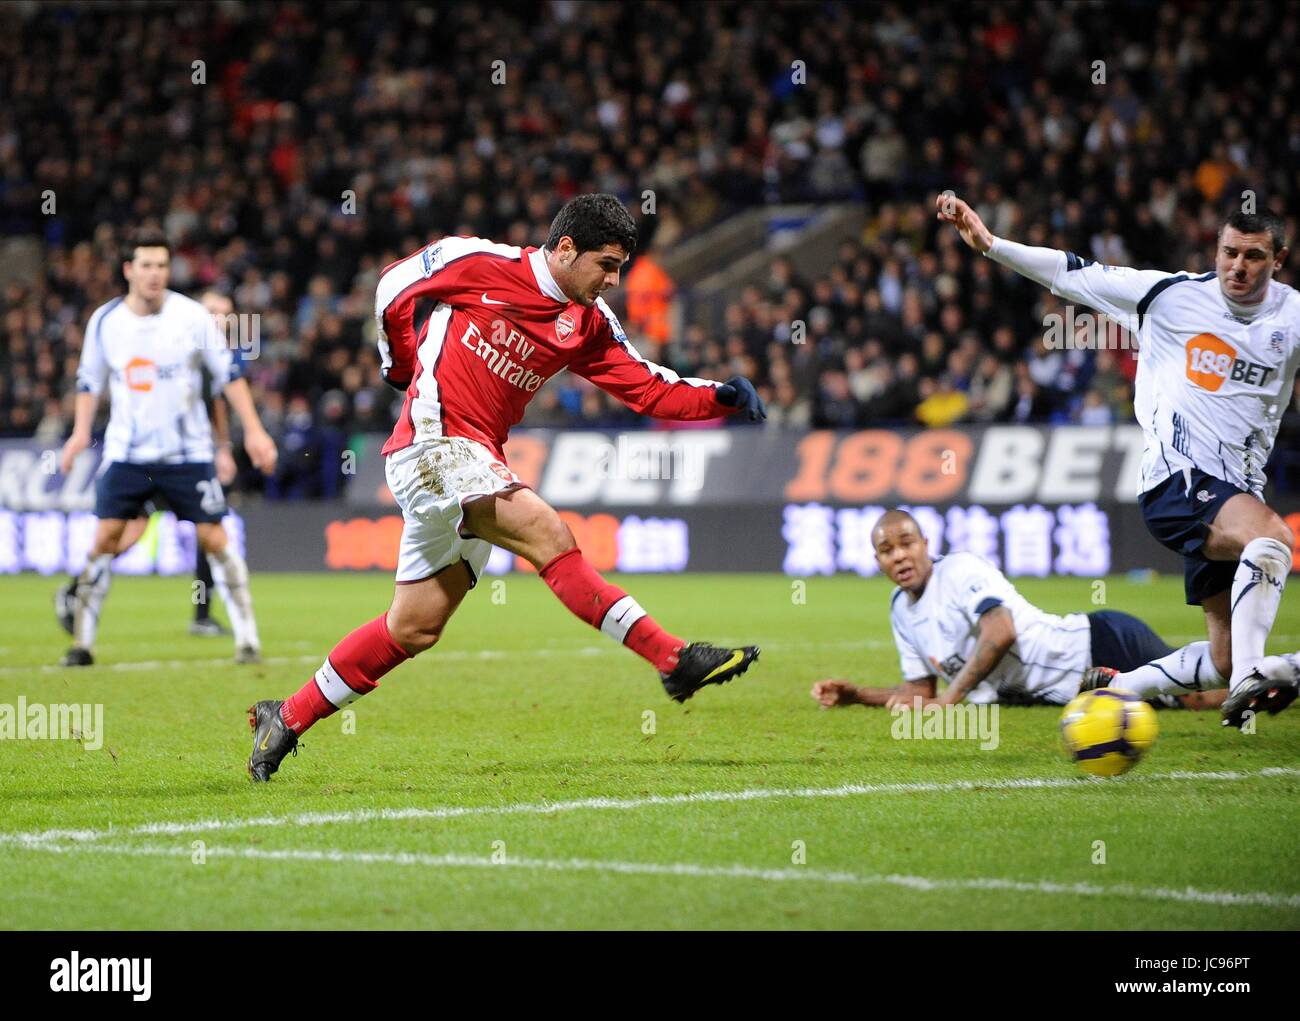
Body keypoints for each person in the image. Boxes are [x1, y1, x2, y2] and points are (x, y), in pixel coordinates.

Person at [247, 194, 765, 781]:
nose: (613, 281)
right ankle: (672, 658)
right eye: (606, 265)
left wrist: (717, 397)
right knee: (549, 532)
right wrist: (399, 363)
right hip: (431, 445)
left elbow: (647, 387)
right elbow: (393, 285)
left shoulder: (587, 322)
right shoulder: (478, 261)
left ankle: (284, 717)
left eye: (620, 268)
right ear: (565, 248)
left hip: (477, 460)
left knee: (414, 626)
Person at [936, 194, 1300, 728]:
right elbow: (1072, 274)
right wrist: (991, 245)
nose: (1237, 267)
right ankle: (1256, 674)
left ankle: (1121, 685)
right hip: (1176, 483)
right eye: (1229, 253)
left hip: (1238, 493)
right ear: (1215, 249)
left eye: (1253, 256)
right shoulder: (1169, 297)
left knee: (1221, 657)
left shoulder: (1292, 316)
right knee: (1273, 540)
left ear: (1278, 259)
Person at [58, 233, 277, 666]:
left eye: (162, 265)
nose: (155, 273)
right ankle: (82, 644)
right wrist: (80, 432)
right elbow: (89, 381)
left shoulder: (192, 317)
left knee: (215, 537)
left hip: (187, 455)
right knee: (105, 538)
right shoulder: (105, 322)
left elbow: (228, 375)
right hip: (127, 454)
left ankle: (247, 639)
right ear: (128, 270)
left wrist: (253, 431)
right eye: (146, 265)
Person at [810, 510, 1225, 712]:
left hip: (1099, 647)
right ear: (877, 561)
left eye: (907, 543)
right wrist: (858, 695)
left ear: (925, 543)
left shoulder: (959, 570)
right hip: (1071, 691)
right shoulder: (901, 608)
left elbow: (1000, 632)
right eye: (887, 550)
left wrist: (952, 699)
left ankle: (1286, 671)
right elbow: (921, 694)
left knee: (1207, 697)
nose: (899, 556)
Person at [54, 288, 242, 638]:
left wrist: (223, 449)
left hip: (190, 458)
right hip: (151, 457)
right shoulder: (178, 341)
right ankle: (77, 588)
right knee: (136, 529)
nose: (221, 319)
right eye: (214, 311)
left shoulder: (215, 353)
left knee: (206, 530)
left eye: (226, 314)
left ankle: (201, 613)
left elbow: (217, 402)